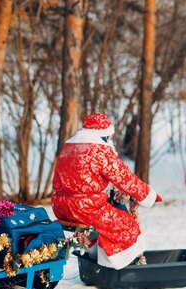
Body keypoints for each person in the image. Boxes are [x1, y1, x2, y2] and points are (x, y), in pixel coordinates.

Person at [52, 113, 162, 269]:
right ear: (103, 135)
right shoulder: (99, 150)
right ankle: (120, 265)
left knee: (105, 223)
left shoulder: (69, 146)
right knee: (125, 223)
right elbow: (124, 177)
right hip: (84, 208)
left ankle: (97, 258)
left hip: (60, 206)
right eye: (108, 137)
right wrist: (148, 195)